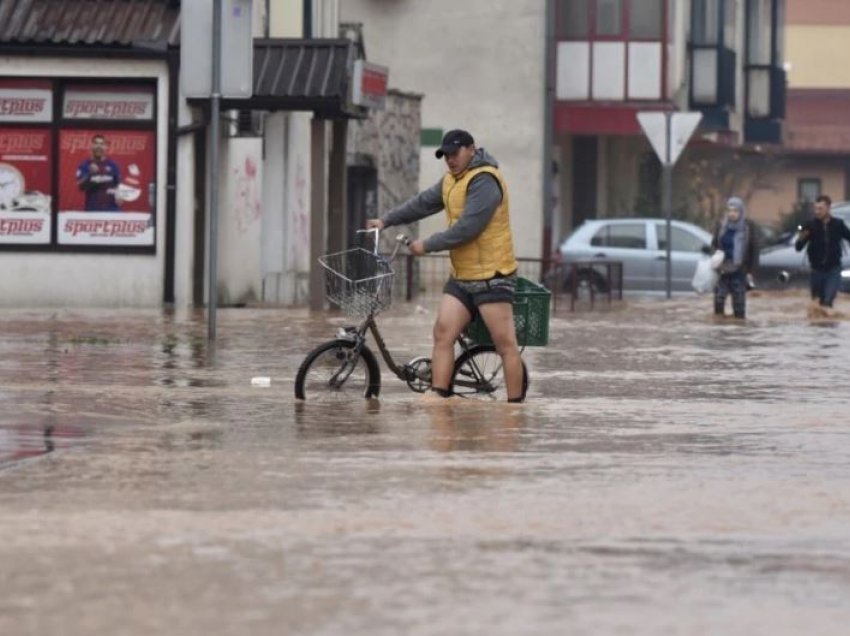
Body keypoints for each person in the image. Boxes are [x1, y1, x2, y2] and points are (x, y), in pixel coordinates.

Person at [366, 129, 525, 403]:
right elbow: (422, 203)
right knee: (442, 334)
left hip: (493, 276)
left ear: (471, 150)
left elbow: (468, 228)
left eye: (455, 153)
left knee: (505, 344)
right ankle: (438, 400)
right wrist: (386, 220)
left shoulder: (485, 180)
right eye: (446, 155)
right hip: (463, 276)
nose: (450, 159)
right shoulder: (452, 180)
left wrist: (427, 244)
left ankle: (514, 410)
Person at [794, 194, 850, 311]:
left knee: (828, 301)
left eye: (821, 208)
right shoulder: (810, 225)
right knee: (817, 304)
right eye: (816, 208)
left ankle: (829, 327)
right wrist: (802, 236)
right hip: (816, 270)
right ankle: (818, 328)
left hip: (833, 269)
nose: (817, 212)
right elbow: (798, 247)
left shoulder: (838, 224)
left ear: (828, 208)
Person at [710, 196, 759, 319]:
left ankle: (738, 330)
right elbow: (714, 244)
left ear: (741, 212)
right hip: (722, 270)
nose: (732, 214)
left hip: (739, 271)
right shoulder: (721, 226)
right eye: (730, 210)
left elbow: (754, 250)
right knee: (719, 301)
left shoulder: (748, 228)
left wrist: (751, 271)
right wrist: (716, 256)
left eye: (735, 211)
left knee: (739, 306)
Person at [75, 134, 121, 211]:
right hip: (93, 210)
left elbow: (118, 184)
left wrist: (120, 195)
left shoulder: (113, 165)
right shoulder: (84, 165)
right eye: (96, 143)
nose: (99, 146)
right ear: (91, 146)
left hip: (112, 211)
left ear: (106, 147)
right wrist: (90, 174)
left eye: (102, 144)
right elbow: (81, 187)